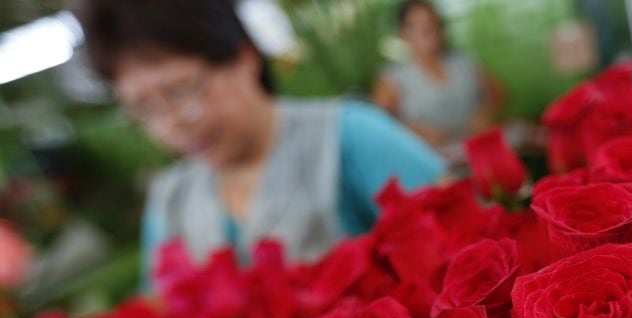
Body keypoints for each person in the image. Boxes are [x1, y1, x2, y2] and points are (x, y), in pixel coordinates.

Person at [75, 0, 447, 285]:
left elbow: (461, 235)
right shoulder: (171, 200)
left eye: (179, 92)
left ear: (244, 57)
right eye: (143, 109)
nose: (170, 125)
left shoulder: (347, 136)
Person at [372, 0, 505, 149]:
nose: (428, 30)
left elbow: (498, 94)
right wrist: (413, 130)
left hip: (478, 149)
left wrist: (484, 114)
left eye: (432, 22)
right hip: (431, 161)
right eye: (417, 26)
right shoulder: (392, 79)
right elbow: (378, 124)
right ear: (403, 33)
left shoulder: (464, 63)